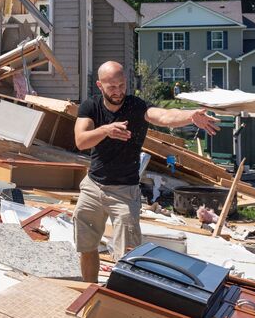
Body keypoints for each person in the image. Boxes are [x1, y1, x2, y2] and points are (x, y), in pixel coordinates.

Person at [73, 61, 220, 282]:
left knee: (128, 256)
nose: (118, 91)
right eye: (111, 87)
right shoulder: (90, 107)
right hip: (93, 187)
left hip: (124, 192)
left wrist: (190, 116)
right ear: (99, 85)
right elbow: (81, 141)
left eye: (122, 85)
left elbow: (164, 115)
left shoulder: (136, 106)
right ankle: (90, 291)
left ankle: (120, 302)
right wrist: (105, 130)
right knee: (86, 246)